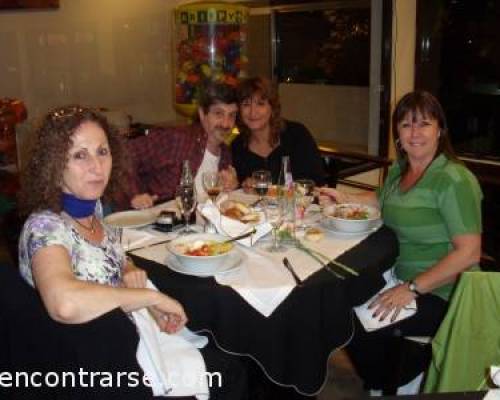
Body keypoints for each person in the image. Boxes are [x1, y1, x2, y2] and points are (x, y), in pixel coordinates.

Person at [17, 105, 248, 399]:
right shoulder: (45, 225)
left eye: (102, 152)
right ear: (53, 163)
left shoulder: (92, 210)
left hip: (125, 340)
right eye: (79, 155)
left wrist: (130, 275)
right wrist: (150, 297)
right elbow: (64, 302)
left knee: (228, 364)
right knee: (228, 376)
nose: (96, 166)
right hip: (94, 369)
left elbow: (108, 257)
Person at [320, 91, 482, 390]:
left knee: (360, 330)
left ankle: (413, 370)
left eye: (424, 123)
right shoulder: (402, 169)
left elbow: (470, 253)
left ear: (440, 129)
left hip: (446, 293)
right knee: (337, 304)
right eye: (406, 125)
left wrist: (412, 289)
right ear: (397, 132)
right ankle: (395, 371)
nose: (415, 133)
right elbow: (381, 200)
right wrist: (344, 198)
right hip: (399, 277)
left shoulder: (453, 179)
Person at [125, 82, 239, 210]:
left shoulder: (225, 153)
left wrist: (231, 186)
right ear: (202, 114)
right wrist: (134, 194)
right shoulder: (177, 139)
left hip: (197, 227)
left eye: (232, 115)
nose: (226, 123)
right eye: (218, 114)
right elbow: (125, 154)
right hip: (159, 223)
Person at [231, 76, 326, 189]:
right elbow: (238, 188)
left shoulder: (297, 135)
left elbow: (317, 182)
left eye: (260, 104)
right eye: (246, 104)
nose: (252, 112)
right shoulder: (237, 146)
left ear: (272, 108)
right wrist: (244, 185)